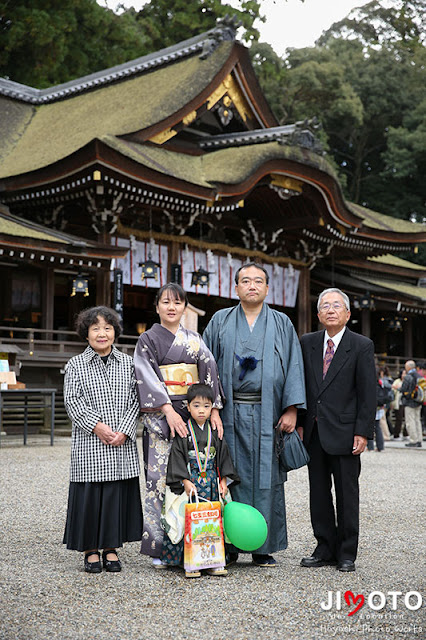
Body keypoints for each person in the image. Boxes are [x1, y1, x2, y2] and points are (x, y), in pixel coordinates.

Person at [203, 262, 306, 567]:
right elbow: (204, 366)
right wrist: (211, 409)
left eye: (258, 281)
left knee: (267, 478)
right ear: (235, 288)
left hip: (269, 413)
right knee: (226, 474)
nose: (252, 286)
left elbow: (294, 365)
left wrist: (290, 410)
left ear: (267, 288)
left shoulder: (282, 323)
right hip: (228, 410)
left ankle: (264, 546)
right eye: (245, 281)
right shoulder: (220, 320)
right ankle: (229, 546)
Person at [134, 283, 224, 567]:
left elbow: (209, 373)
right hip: (162, 416)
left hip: (194, 412)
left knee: (195, 477)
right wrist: (167, 409)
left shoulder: (194, 339)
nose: (171, 307)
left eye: (177, 302)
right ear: (157, 306)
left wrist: (214, 410)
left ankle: (195, 544)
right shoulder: (147, 340)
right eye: (166, 302)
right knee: (159, 481)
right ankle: (159, 546)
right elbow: (145, 375)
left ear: (185, 307)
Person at [299, 288, 376, 572]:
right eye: (325, 306)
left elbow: (368, 393)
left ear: (347, 313)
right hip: (314, 430)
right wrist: (298, 423)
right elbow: (301, 384)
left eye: (336, 305)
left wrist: (363, 431)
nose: (330, 310)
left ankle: (346, 552)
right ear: (318, 314)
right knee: (318, 492)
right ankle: (324, 547)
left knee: (346, 493)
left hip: (345, 431)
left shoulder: (361, 345)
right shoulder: (307, 342)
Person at [63, 306, 142, 573]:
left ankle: (110, 547)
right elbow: (72, 401)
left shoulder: (128, 363)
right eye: (95, 328)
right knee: (90, 496)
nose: (102, 333)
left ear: (115, 332)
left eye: (107, 328)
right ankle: (89, 550)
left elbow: (136, 400)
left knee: (114, 496)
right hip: (91, 442)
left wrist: (125, 430)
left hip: (121, 441)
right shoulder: (75, 364)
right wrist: (96, 427)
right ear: (86, 333)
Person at [160, 383, 239, 578]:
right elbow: (177, 456)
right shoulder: (184, 430)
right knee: (188, 520)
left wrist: (224, 480)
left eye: (206, 406)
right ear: (187, 407)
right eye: (196, 406)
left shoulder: (214, 430)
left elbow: (223, 455)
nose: (201, 410)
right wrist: (184, 481)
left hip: (212, 479)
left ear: (213, 407)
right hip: (191, 481)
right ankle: (189, 560)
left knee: (211, 521)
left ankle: (213, 561)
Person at [401, 359, 423, 448]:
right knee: (417, 421)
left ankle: (413, 440)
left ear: (408, 367)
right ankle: (419, 439)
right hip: (418, 401)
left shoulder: (408, 376)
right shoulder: (419, 376)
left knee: (410, 422)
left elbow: (404, 389)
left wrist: (399, 388)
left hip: (409, 402)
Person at [367, 369, 386, 452]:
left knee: (369, 426)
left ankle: (370, 446)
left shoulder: (370, 383)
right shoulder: (380, 383)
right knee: (377, 427)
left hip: (371, 406)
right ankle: (380, 446)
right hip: (379, 407)